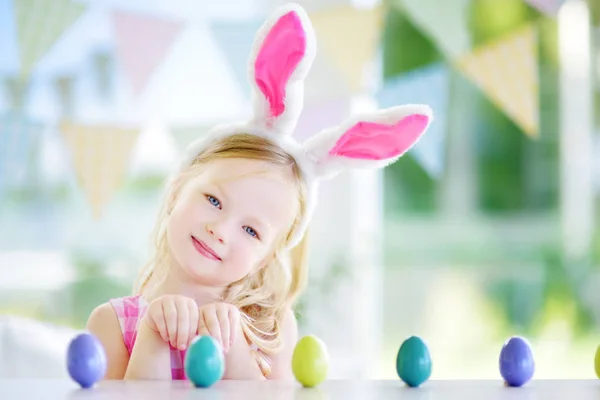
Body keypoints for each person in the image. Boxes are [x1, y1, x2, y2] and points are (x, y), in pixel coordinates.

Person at [85, 2, 433, 381]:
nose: (221, 229)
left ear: (266, 258)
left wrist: (231, 343)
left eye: (251, 231)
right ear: (177, 191)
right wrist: (154, 335)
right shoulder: (113, 325)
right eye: (214, 200)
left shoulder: (270, 332)